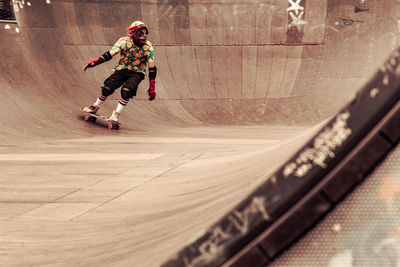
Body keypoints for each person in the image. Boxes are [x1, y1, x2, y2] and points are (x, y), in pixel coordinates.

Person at [82, 21, 157, 122]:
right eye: (141, 33)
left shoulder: (148, 46)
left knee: (127, 90)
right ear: (134, 33)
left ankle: (116, 114)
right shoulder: (124, 42)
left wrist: (152, 87)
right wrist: (95, 62)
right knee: (107, 87)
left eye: (145, 33)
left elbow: (152, 67)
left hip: (137, 73)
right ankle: (95, 106)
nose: (144, 36)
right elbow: (109, 55)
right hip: (122, 69)